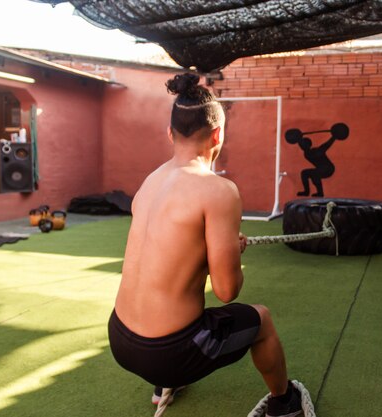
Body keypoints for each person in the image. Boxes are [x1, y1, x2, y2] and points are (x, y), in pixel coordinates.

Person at [108, 73, 302, 417]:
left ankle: (163, 384)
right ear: (218, 135)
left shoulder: (151, 181)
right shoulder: (218, 190)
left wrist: (221, 246)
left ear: (170, 133)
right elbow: (228, 290)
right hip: (168, 353)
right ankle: (283, 404)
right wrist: (228, 256)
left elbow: (170, 252)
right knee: (262, 320)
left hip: (120, 339)